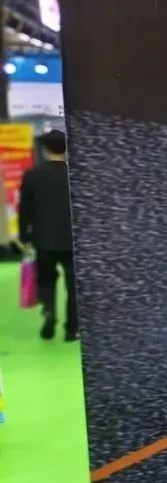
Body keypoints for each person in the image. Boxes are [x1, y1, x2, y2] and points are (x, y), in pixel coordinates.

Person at [18, 130, 78, 341]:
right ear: (66, 149)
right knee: (73, 286)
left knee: (46, 280)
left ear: (44, 149)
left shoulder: (32, 175)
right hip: (72, 241)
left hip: (43, 240)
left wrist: (25, 237)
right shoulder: (74, 175)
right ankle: (72, 329)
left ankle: (49, 313)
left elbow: (24, 209)